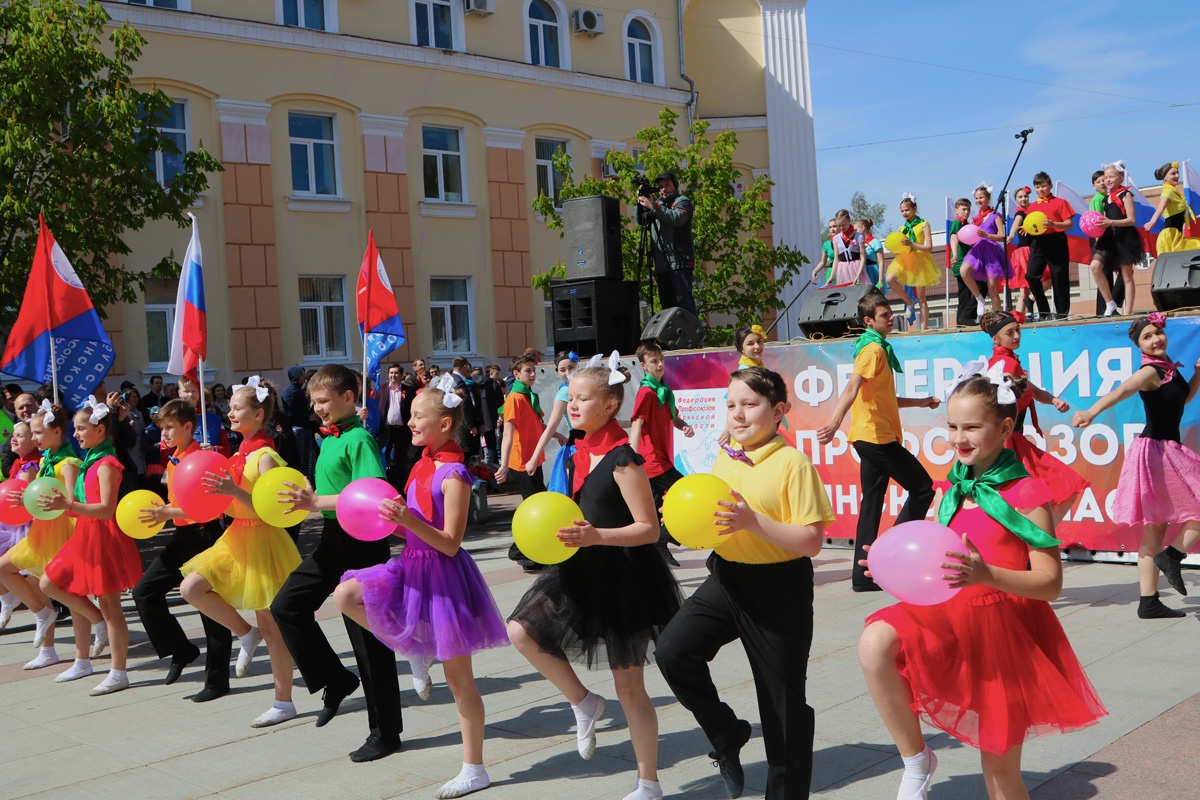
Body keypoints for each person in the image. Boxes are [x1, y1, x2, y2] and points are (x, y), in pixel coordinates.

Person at [859, 364, 1107, 800]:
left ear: (1006, 428)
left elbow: (1050, 583)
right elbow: (938, 558)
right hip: (948, 618)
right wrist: (889, 565)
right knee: (875, 641)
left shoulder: (1028, 494)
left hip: (1002, 635)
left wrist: (987, 574)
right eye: (953, 426)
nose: (959, 438)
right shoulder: (952, 488)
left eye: (971, 427)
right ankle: (916, 760)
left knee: (998, 772)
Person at [507, 359, 683, 800]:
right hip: (580, 564)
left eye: (583, 399)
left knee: (629, 686)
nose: (572, 405)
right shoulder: (578, 450)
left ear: (609, 405)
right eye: (570, 397)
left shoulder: (624, 459)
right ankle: (584, 701)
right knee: (520, 631)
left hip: (624, 575)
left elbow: (649, 529)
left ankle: (648, 783)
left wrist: (596, 535)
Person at [657, 367, 834, 800]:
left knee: (782, 709)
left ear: (778, 411)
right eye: (731, 405)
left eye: (750, 404)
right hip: (727, 578)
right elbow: (713, 518)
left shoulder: (793, 463)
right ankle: (728, 732)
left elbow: (811, 541)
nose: (738, 414)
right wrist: (680, 517)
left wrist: (753, 522)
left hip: (779, 590)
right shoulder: (727, 455)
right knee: (673, 652)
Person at [335, 383, 508, 799]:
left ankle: (474, 769)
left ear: (444, 424)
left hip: (444, 577)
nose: (409, 422)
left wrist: (407, 521)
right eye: (410, 414)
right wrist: (388, 522)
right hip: (411, 565)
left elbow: (449, 542)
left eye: (417, 415)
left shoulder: (454, 474)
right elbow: (408, 526)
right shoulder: (421, 464)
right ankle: (413, 648)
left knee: (459, 679)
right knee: (347, 595)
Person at [270, 364, 403, 762]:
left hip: (362, 544)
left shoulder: (359, 438)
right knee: (287, 605)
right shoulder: (330, 438)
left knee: (368, 642)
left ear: (349, 397)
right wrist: (312, 494)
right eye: (314, 401)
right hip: (333, 538)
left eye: (324, 401)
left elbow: (372, 494)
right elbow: (333, 491)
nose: (318, 408)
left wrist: (315, 502)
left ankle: (385, 733)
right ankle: (336, 678)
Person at [177, 378, 302, 727]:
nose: (229, 413)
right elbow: (213, 502)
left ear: (258, 414)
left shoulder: (265, 457)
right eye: (229, 408)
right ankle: (245, 633)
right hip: (235, 536)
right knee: (191, 587)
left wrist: (233, 490)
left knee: (272, 627)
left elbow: (272, 511)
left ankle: (283, 701)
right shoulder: (238, 454)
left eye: (236, 408)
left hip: (263, 540)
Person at [1073, 313, 1200, 618]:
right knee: (1161, 525)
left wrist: (1197, 375)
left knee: (1155, 529)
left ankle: (1149, 602)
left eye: (1158, 333)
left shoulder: (1168, 367)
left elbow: (1181, 401)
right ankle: (1172, 556)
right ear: (1139, 345)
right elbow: (1122, 391)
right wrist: (1090, 412)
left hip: (1165, 449)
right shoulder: (1148, 372)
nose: (1156, 339)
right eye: (1147, 336)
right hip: (1157, 452)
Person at [817, 291, 938, 592]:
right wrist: (834, 423)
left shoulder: (873, 347)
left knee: (871, 504)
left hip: (868, 436)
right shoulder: (873, 350)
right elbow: (852, 388)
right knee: (923, 488)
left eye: (891, 312)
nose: (892, 317)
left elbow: (885, 398)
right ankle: (888, 555)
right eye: (885, 315)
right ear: (869, 320)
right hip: (876, 437)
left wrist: (920, 402)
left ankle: (863, 576)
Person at [131, 400, 234, 699]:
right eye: (161, 428)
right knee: (144, 592)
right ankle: (181, 649)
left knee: (211, 611)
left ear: (188, 427)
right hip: (183, 536)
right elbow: (180, 502)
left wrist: (167, 512)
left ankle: (216, 682)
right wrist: (163, 509)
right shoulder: (173, 460)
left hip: (205, 536)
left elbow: (209, 508)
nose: (163, 433)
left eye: (169, 427)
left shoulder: (201, 459)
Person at [40, 400, 142, 695]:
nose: (76, 434)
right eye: (75, 429)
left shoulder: (107, 463)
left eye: (81, 429)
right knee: (51, 583)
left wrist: (67, 505)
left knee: (111, 607)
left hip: (104, 536)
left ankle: (118, 672)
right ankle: (93, 631)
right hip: (85, 533)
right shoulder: (90, 460)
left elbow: (107, 509)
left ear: (100, 430)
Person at [982, 311, 1087, 524]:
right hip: (1010, 443)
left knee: (1031, 499)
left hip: (1013, 441)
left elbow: (1034, 391)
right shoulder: (1005, 364)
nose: (1016, 336)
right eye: (1009, 333)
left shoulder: (1007, 362)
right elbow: (996, 403)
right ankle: (1038, 537)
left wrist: (1054, 400)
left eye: (1018, 330)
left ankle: (1034, 538)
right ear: (996, 339)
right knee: (1063, 486)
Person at [0, 404, 80, 669]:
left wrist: (36, 498)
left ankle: (83, 657)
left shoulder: (68, 463)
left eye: (37, 433)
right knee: (16, 575)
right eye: (32, 433)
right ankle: (47, 646)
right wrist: (26, 498)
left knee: (73, 595)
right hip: (41, 530)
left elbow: (71, 502)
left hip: (61, 533)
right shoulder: (46, 460)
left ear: (56, 432)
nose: (34, 438)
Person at [630, 343, 695, 567]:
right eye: (654, 361)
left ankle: (647, 554)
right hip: (651, 459)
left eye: (661, 360)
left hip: (662, 456)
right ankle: (662, 540)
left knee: (654, 507)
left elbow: (674, 418)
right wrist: (631, 455)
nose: (659, 365)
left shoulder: (664, 390)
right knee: (685, 491)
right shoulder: (647, 392)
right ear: (643, 366)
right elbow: (636, 424)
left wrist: (685, 426)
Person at [636, 171, 697, 316]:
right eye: (661, 186)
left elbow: (676, 218)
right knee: (667, 305)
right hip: (662, 264)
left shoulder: (683, 201)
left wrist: (653, 206)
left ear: (675, 185)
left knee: (684, 303)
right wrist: (640, 201)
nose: (663, 189)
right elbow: (642, 221)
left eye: (667, 185)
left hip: (680, 261)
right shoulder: (657, 204)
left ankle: (691, 330)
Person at [0, 422, 42, 629]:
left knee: (20, 571)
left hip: (20, 526)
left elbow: (18, 498)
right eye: (13, 435)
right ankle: (8, 596)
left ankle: (37, 609)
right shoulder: (20, 463)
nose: (13, 439)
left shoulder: (29, 466)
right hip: (10, 524)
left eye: (19, 436)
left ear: (32, 442)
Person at [1091, 161, 1143, 317]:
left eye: (1111, 177)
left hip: (1124, 238)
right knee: (1095, 267)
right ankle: (1110, 302)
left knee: (1126, 276)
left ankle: (1128, 312)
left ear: (1120, 177)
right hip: (1108, 237)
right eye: (1106, 177)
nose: (1108, 180)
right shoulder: (1105, 198)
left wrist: (1111, 222)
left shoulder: (1125, 194)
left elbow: (1132, 220)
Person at [1025, 172, 1075, 319]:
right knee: (1031, 275)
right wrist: (1026, 228)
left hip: (1056, 240)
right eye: (1037, 187)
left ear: (1050, 186)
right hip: (1038, 242)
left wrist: (1054, 224)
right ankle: (1044, 311)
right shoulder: (1032, 206)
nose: (1040, 189)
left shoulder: (1060, 202)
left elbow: (1069, 224)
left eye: (1043, 186)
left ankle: (1061, 313)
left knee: (1059, 276)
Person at [526, 351, 578, 491]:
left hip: (595, 443)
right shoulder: (564, 392)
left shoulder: (584, 387)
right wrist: (534, 458)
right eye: (562, 370)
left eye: (571, 367)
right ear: (558, 372)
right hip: (578, 446)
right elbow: (550, 428)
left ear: (577, 366)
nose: (567, 372)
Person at [886, 194, 939, 330]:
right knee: (890, 279)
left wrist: (912, 244)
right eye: (902, 211)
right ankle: (909, 301)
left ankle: (924, 327)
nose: (904, 213)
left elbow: (929, 248)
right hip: (904, 259)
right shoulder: (902, 229)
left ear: (914, 208)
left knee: (921, 297)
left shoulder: (923, 225)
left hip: (920, 260)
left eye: (907, 210)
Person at [961, 183, 1012, 318]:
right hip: (977, 251)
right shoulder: (975, 219)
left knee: (992, 289)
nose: (979, 200)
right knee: (963, 270)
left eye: (981, 197)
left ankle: (997, 317)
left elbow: (1003, 236)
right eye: (976, 198)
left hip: (991, 252)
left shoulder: (995, 216)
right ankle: (979, 298)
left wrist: (987, 235)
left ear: (988, 198)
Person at [1145, 161, 1200, 253]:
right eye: (1173, 173)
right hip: (1169, 237)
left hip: (1177, 236)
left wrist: (1198, 216)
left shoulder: (1175, 193)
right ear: (1165, 178)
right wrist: (1152, 221)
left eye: (1177, 173)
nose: (1177, 175)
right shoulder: (1168, 192)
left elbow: (1181, 219)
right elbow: (1161, 207)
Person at [378, 364, 412, 486]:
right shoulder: (381, 389)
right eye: (391, 373)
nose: (393, 375)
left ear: (402, 375)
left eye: (396, 373)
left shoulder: (408, 390)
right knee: (385, 457)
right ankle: (386, 484)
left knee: (401, 459)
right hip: (386, 429)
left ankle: (401, 485)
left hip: (402, 430)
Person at [282, 366, 315, 480]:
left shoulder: (299, 390)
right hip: (297, 429)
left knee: (308, 461)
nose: (304, 377)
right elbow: (289, 414)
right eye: (301, 374)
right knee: (299, 460)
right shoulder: (289, 392)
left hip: (306, 428)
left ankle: (308, 483)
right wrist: (307, 418)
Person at [948, 197, 977, 327]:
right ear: (956, 210)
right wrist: (954, 254)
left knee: (965, 291)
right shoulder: (957, 223)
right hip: (961, 261)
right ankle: (965, 317)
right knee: (968, 290)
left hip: (966, 260)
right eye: (963, 209)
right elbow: (953, 237)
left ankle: (962, 319)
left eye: (968, 209)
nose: (966, 212)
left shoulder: (966, 224)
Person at [1006, 187, 1035, 316]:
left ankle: (1025, 308)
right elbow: (1015, 224)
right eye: (1020, 197)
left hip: (1033, 248)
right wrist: (1011, 235)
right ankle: (1018, 316)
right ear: (1016, 200)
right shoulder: (1020, 213)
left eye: (1025, 196)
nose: (1023, 199)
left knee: (1026, 289)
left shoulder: (1031, 211)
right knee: (1024, 289)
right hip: (1025, 251)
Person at [449, 356, 482, 459]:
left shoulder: (449, 379)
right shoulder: (459, 382)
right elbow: (464, 405)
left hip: (454, 421)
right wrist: (471, 426)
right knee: (467, 454)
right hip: (462, 425)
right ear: (464, 366)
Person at [830, 209, 867, 285]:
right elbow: (836, 259)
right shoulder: (836, 238)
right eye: (839, 226)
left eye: (844, 225)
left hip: (856, 269)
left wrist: (859, 274)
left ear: (849, 220)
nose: (841, 228)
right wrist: (832, 276)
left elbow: (863, 257)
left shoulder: (859, 236)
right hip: (843, 270)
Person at [857, 217, 885, 288]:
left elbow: (881, 262)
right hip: (862, 273)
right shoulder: (858, 243)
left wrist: (880, 281)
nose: (855, 232)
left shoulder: (875, 242)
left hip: (873, 272)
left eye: (856, 230)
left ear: (863, 227)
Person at [810, 219, 839, 285]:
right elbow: (823, 262)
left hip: (843, 271)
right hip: (831, 272)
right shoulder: (826, 244)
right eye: (830, 227)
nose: (832, 229)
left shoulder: (846, 241)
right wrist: (815, 271)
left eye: (834, 226)